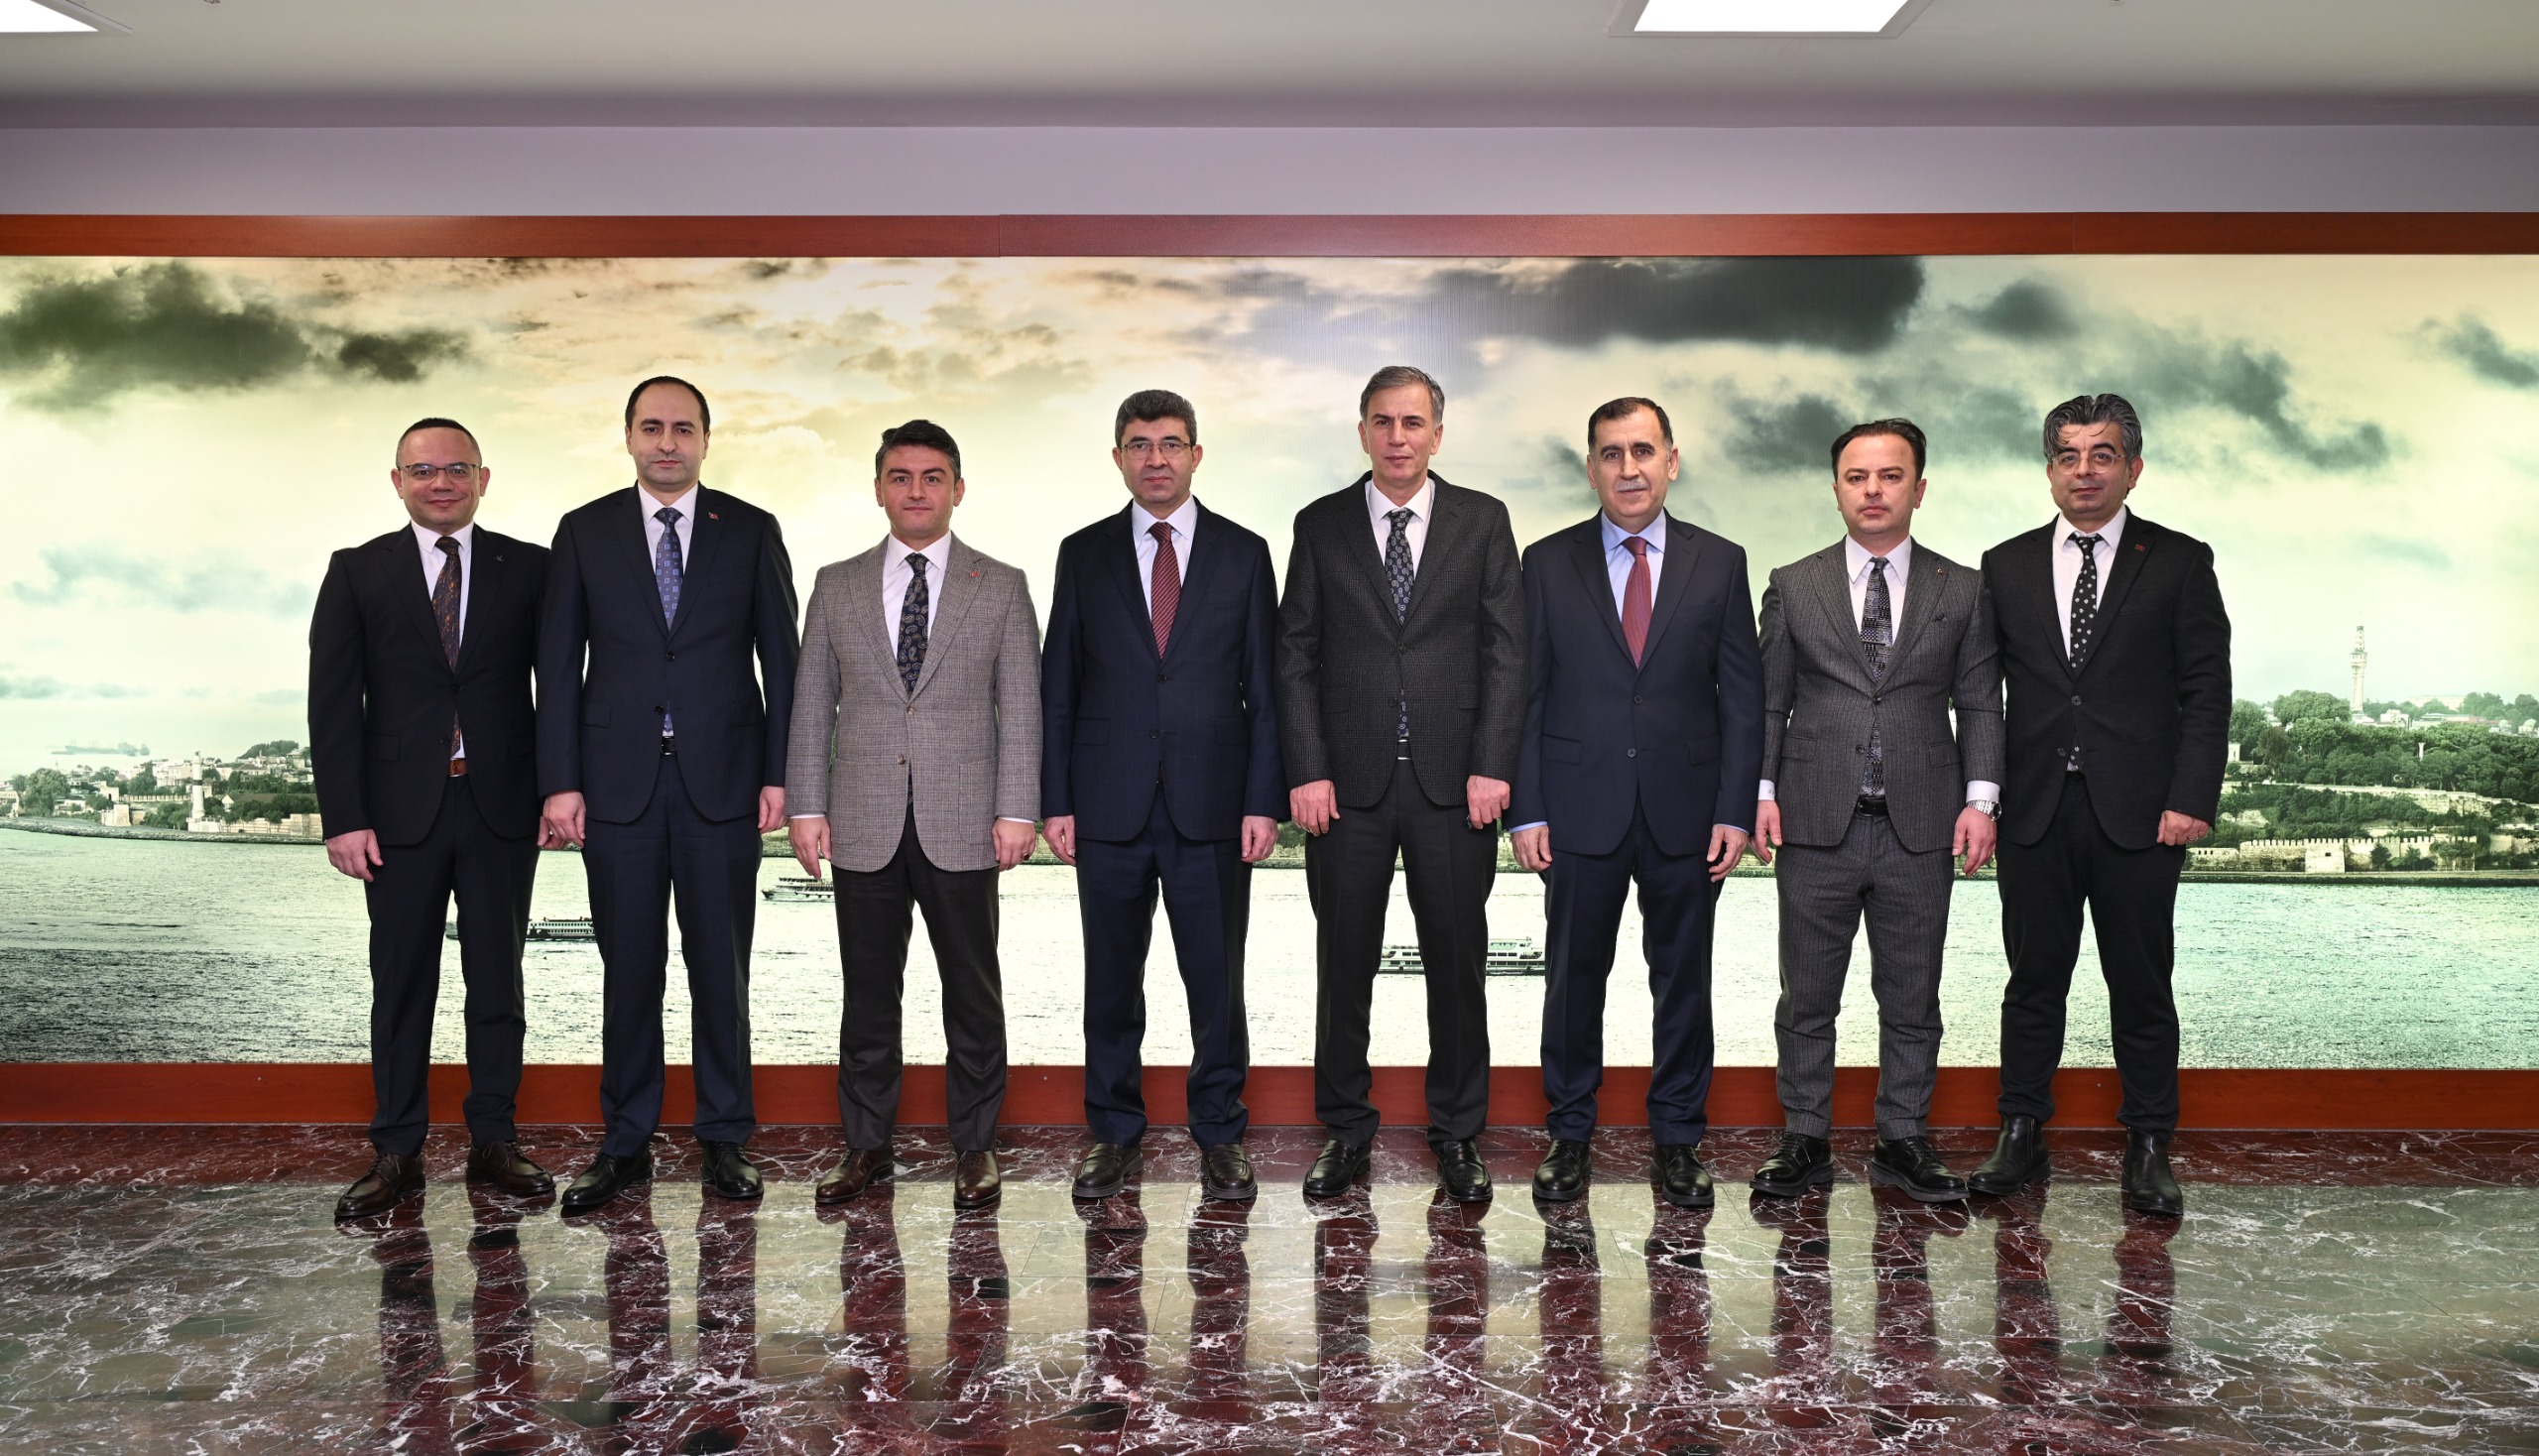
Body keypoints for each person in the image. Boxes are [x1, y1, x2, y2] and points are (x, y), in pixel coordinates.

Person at [537, 377, 800, 1215]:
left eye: (683, 428)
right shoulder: (583, 532)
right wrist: (560, 782)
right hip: (616, 789)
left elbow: (783, 664)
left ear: (705, 440)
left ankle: (725, 1138)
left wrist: (781, 774)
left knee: (721, 970)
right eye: (651, 427)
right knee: (629, 972)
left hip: (725, 785)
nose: (667, 443)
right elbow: (558, 667)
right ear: (628, 437)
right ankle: (625, 1143)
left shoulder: (750, 531)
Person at [1972, 394, 2230, 1216]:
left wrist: (2191, 798)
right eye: (2068, 456)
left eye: (2103, 454)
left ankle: (2149, 1144)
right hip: (2035, 812)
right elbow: (1982, 699)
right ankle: (2021, 1132)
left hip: (2144, 817)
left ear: (2133, 468)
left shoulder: (2180, 561)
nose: (2084, 470)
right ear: (2049, 470)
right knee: (2031, 983)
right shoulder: (2004, 565)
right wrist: (1982, 798)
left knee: (2142, 986)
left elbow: (2207, 691)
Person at [1276, 365, 1526, 1203]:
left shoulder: (1483, 521)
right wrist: (1307, 770)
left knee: (1457, 967)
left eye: (1413, 422)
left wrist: (1494, 764)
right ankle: (1346, 1128)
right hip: (1344, 790)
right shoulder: (1320, 524)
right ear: (1362, 433)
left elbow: (1507, 652)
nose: (1397, 437)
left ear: (1437, 435)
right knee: (1343, 964)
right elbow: (1294, 655)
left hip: (1457, 787)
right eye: (1382, 422)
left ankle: (1457, 1132)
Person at [1510, 397, 1761, 1210]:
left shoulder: (1721, 562)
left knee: (1683, 982)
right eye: (1612, 453)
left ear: (1671, 462)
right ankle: (1569, 1134)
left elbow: (1743, 701)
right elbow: (1526, 695)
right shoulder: (1546, 563)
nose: (1629, 468)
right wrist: (1528, 810)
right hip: (1576, 811)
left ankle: (1679, 1141)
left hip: (1689, 815)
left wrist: (1734, 810)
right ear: (1591, 469)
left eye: (1643, 451)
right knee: (1572, 982)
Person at [1747, 418, 2003, 1204]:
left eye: (1890, 476)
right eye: (1857, 477)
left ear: (1918, 489)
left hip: (1922, 824)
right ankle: (1803, 1139)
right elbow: (1767, 703)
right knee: (1807, 995)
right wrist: (1759, 792)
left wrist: (1982, 801)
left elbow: (1980, 704)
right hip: (1813, 820)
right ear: (1836, 490)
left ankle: (1904, 1139)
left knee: (1913, 996)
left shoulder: (1964, 589)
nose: (1873, 490)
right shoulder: (1794, 583)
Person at [787, 420, 1041, 1211]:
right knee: (867, 994)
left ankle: (976, 1146)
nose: (917, 491)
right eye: (901, 477)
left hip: (966, 820)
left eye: (933, 477)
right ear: (879, 489)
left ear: (958, 489)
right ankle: (866, 1146)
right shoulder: (836, 584)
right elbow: (811, 704)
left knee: (973, 992)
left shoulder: (1001, 584)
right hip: (861, 819)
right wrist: (806, 805)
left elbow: (1022, 707)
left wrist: (1018, 809)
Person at [1040, 390, 1283, 1203]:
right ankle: (1113, 1131)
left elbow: (1267, 692)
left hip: (1214, 806)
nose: (1156, 458)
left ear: (1196, 456)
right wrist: (1055, 800)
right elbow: (1059, 687)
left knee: (1216, 982)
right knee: (1111, 982)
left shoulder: (1246, 554)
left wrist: (1262, 801)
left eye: (1171, 443)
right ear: (1118, 457)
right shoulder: (1083, 554)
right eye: (1140, 444)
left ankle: (1220, 1130)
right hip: (1106, 804)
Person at [310, 417, 553, 1220]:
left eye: (456, 469)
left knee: (498, 983)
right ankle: (396, 1150)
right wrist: (344, 817)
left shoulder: (532, 568)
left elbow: (558, 690)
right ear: (397, 481)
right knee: (401, 984)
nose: (440, 482)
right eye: (423, 471)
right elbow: (333, 703)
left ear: (483, 478)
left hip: (501, 807)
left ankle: (495, 1141)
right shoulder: (357, 571)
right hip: (395, 817)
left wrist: (559, 790)